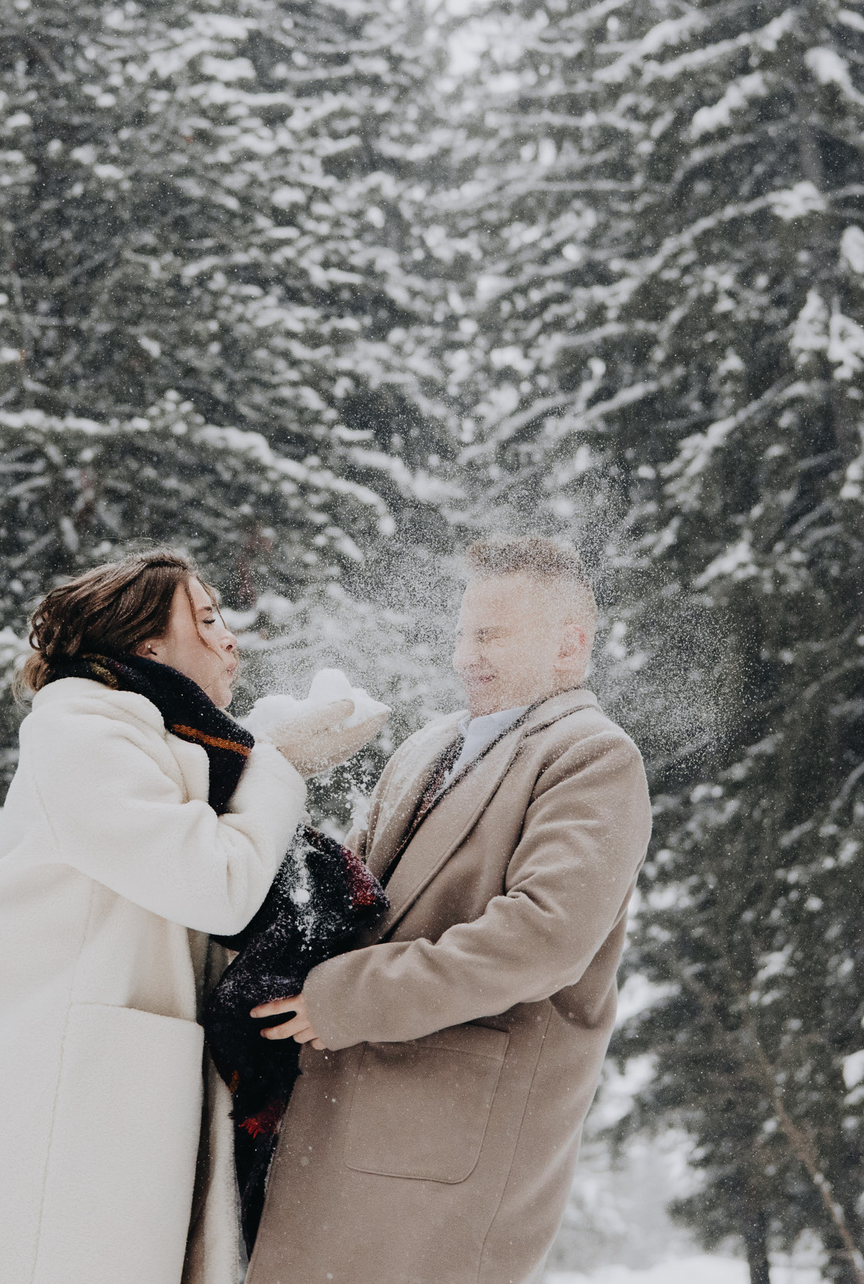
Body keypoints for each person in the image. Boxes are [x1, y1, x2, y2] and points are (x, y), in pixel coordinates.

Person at [0, 549, 383, 1284]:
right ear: (145, 644)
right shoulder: (78, 729)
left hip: (111, 1089)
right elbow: (218, 881)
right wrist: (279, 764)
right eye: (205, 618)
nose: (231, 638)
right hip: (60, 1096)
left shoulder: (158, 744)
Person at [244, 536, 653, 1284]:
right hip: (341, 1117)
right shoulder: (428, 745)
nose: (466, 653)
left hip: (445, 1143)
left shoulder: (595, 756)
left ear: (570, 644)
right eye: (463, 631)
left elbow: (540, 937)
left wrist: (347, 999)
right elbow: (352, 897)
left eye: (491, 633)